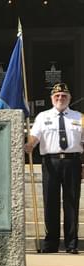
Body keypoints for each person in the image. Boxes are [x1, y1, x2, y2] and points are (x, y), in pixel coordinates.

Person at [24, 82, 83, 254]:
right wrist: (29, 145)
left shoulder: (79, 117)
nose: (60, 98)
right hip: (51, 162)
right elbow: (34, 136)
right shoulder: (43, 117)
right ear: (52, 99)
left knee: (71, 203)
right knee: (50, 202)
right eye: (57, 96)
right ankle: (51, 243)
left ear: (69, 98)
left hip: (72, 162)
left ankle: (71, 243)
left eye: (64, 96)